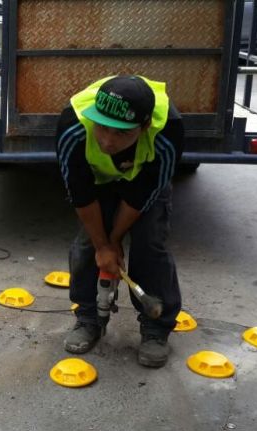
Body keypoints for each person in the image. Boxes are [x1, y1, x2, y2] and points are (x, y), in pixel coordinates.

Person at [56, 75, 184, 368]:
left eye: (122, 133)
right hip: (95, 179)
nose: (107, 141)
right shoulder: (72, 127)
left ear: (144, 126)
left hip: (142, 179)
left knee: (150, 240)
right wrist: (103, 246)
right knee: (89, 244)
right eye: (102, 127)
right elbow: (81, 194)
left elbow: (141, 197)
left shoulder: (167, 132)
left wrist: (114, 242)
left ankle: (156, 328)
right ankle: (88, 317)